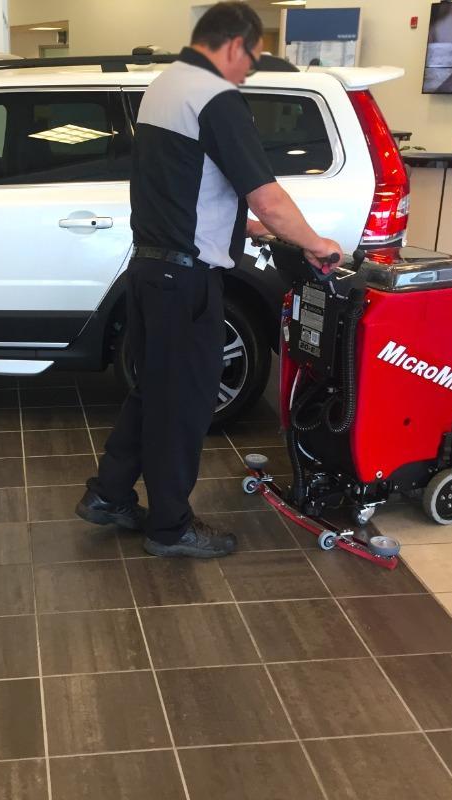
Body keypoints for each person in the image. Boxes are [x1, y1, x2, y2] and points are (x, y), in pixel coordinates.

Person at [76, 2, 343, 558]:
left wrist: (241, 226)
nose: (250, 70)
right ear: (232, 45)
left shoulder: (165, 87)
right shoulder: (215, 97)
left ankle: (109, 495)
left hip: (150, 270)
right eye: (252, 57)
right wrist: (315, 243)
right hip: (185, 281)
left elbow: (185, 184)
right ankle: (170, 527)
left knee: (155, 391)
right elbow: (268, 197)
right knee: (184, 406)